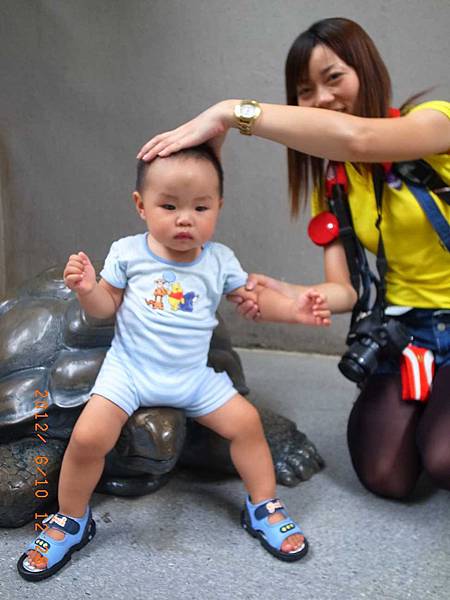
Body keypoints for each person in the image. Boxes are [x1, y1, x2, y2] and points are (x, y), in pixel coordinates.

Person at [137, 17, 450, 501]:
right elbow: (344, 290)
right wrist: (292, 295)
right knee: (386, 474)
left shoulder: (434, 123)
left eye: (334, 78)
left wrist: (228, 113)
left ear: (367, 70)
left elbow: (358, 138)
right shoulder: (335, 184)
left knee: (442, 456)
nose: (322, 98)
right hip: (406, 334)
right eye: (306, 90)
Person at [18, 143, 332, 581]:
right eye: (169, 205)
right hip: (129, 372)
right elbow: (105, 306)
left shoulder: (219, 260)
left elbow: (252, 301)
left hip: (192, 378)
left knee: (247, 425)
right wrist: (89, 287)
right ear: (141, 206)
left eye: (200, 207)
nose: (185, 218)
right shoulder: (128, 252)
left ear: (219, 207)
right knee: (88, 437)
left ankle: (263, 505)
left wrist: (294, 310)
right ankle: (71, 519)